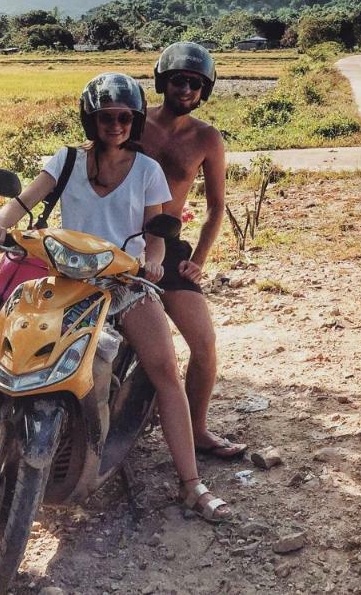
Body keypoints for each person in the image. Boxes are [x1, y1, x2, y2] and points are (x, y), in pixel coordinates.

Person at [0, 73, 232, 522]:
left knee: (165, 371)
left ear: (134, 121)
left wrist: (153, 260)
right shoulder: (65, 161)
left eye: (123, 117)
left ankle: (191, 483)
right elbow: (23, 201)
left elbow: (158, 232)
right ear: (90, 120)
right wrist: (0, 222)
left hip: (123, 284)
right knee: (12, 356)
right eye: (105, 118)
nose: (114, 125)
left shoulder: (148, 171)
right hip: (67, 281)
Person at [140, 42, 247, 460]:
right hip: (122, 240)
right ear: (163, 81)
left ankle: (197, 429)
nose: (186, 89)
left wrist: (198, 259)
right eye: (179, 80)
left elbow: (216, 206)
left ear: (206, 90)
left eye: (196, 84)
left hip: (168, 249)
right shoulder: (135, 123)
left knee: (203, 344)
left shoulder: (207, 138)